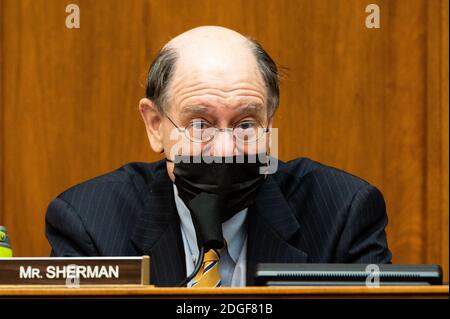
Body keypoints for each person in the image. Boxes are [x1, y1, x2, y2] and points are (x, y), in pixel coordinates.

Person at [45, 26, 391, 287]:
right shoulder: (89, 222)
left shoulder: (342, 212)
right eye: (199, 124)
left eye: (245, 124)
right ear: (155, 126)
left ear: (269, 123)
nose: (225, 150)